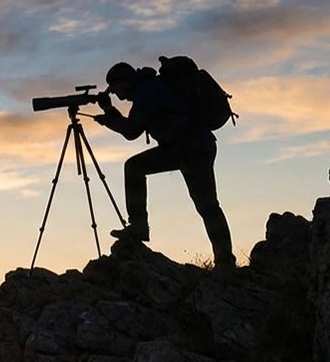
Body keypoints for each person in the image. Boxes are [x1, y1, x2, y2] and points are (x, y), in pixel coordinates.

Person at [93, 61, 237, 270]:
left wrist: (109, 116)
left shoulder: (148, 90)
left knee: (134, 168)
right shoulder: (150, 86)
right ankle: (225, 261)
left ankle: (139, 227)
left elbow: (132, 131)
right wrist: (110, 112)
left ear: (124, 82)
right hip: (195, 145)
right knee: (208, 206)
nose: (115, 94)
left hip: (189, 147)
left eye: (115, 88)